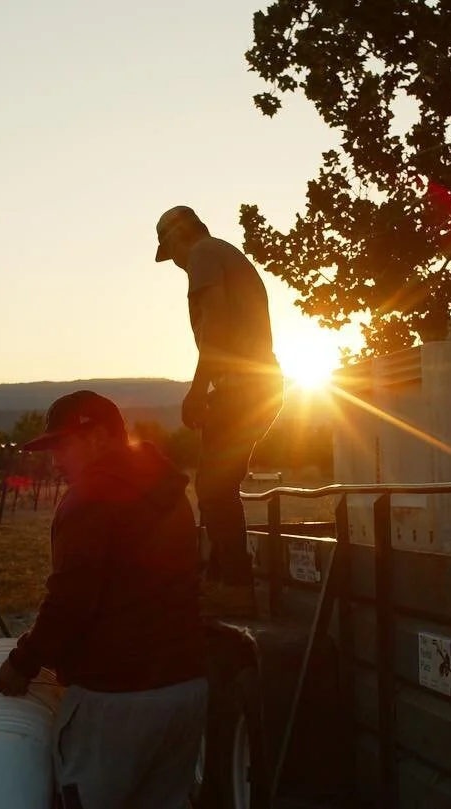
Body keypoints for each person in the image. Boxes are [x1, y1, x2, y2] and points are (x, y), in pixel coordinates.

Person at [0, 390, 208, 809]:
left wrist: (22, 662)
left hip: (117, 697)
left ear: (99, 437)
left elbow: (71, 601)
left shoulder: (91, 497)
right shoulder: (170, 490)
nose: (56, 461)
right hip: (186, 688)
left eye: (63, 445)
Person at [154, 205, 284, 618]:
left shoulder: (204, 255)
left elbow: (216, 327)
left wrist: (196, 391)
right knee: (215, 484)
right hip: (254, 386)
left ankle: (234, 586)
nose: (174, 262)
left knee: (213, 486)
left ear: (178, 237)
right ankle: (222, 580)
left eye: (169, 251)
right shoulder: (225, 253)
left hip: (243, 389)